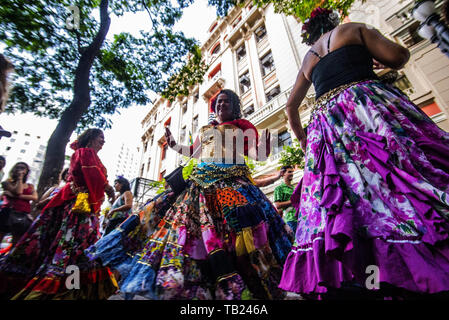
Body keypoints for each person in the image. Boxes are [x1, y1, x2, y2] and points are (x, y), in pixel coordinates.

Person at [279, 7, 449, 299]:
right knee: (399, 174)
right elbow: (398, 56)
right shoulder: (353, 29)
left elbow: (291, 107)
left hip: (327, 125)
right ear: (333, 21)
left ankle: (374, 278)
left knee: (351, 200)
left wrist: (307, 142)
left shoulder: (309, 57)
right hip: (364, 107)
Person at [91, 89, 293, 300]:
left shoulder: (243, 126)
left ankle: (248, 280)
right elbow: (194, 152)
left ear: (234, 106)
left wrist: (264, 147)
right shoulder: (206, 129)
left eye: (226, 103)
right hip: (200, 185)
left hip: (232, 185)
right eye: (218, 103)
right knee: (191, 229)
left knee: (235, 227)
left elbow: (255, 155)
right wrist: (174, 145)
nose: (221, 106)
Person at [0, 128, 118, 300]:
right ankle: (67, 289)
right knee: (75, 247)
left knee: (71, 247)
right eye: (101, 137)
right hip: (78, 209)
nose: (103, 141)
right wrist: (108, 188)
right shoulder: (85, 152)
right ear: (91, 138)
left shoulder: (85, 154)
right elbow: (93, 175)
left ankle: (69, 286)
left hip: (79, 207)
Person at [0, 162, 37, 247]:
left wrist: (14, 196)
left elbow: (34, 197)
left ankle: (8, 259)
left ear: (27, 171)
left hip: (23, 215)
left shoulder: (30, 186)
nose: (20, 170)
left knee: (16, 242)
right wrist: (20, 178)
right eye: (18, 167)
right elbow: (18, 191)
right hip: (8, 212)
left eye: (23, 168)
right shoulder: (6, 182)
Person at [273, 166, 297, 234]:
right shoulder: (279, 188)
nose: (292, 173)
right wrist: (292, 201)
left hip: (300, 217)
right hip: (290, 219)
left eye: (292, 172)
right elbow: (277, 205)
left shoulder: (294, 188)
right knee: (295, 242)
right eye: (289, 172)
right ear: (283, 173)